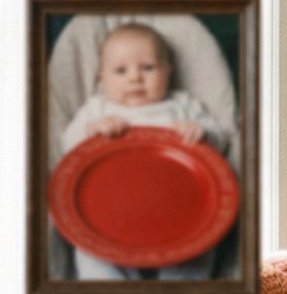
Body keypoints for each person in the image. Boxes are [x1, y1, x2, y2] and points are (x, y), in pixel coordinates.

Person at [60, 22, 233, 280]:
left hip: (175, 210)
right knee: (90, 254)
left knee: (197, 253)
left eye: (148, 68)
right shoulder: (98, 109)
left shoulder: (180, 105)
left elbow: (219, 143)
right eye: (121, 70)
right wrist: (92, 131)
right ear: (101, 77)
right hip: (111, 213)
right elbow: (68, 147)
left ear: (168, 71)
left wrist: (202, 133)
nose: (135, 78)